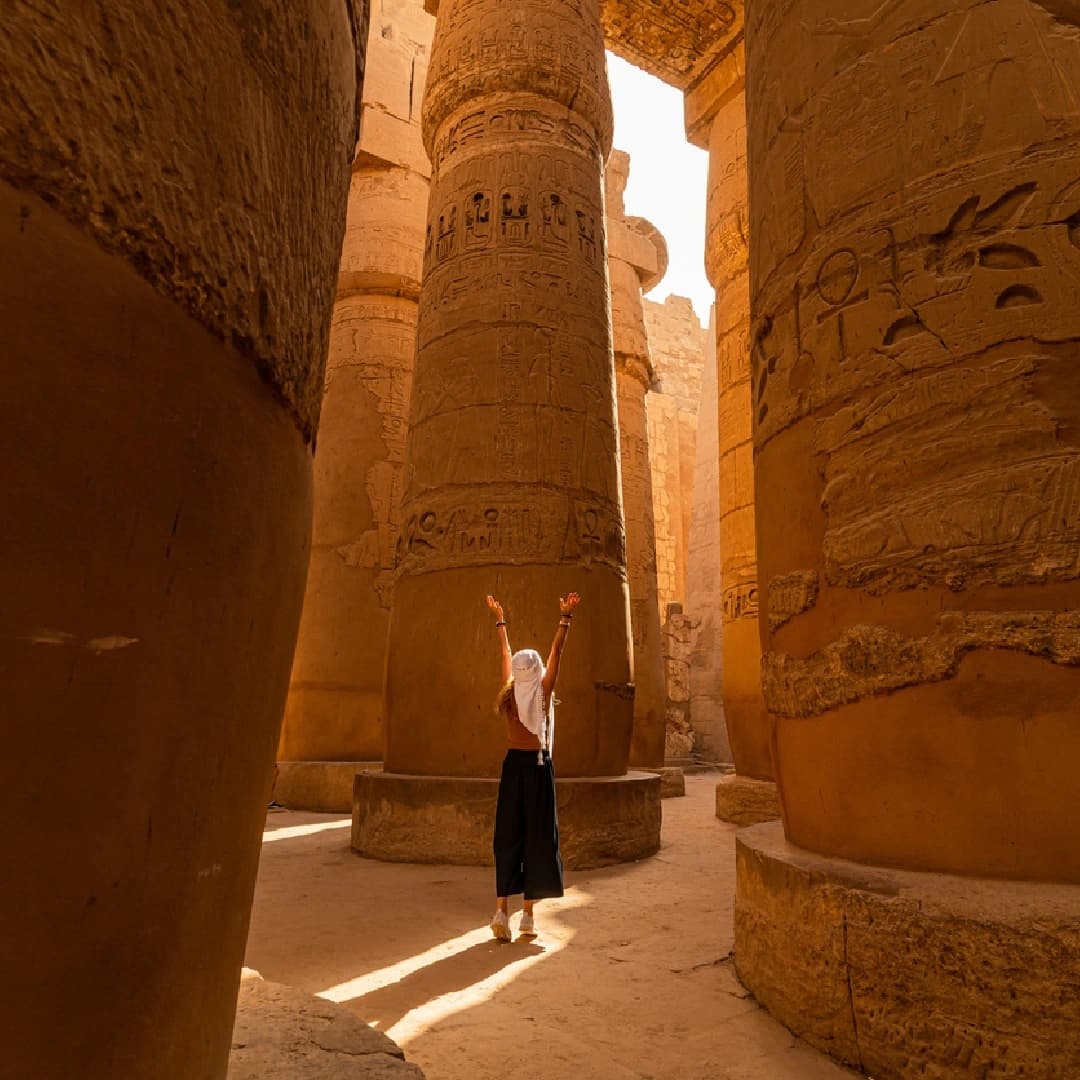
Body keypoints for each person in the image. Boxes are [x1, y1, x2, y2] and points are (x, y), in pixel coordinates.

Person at [485, 591, 580, 942]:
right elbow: (558, 651)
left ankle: (500, 911)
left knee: (508, 836)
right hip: (538, 769)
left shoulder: (509, 694)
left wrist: (500, 620)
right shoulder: (541, 692)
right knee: (538, 839)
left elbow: (504, 655)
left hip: (513, 768)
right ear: (536, 671)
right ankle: (527, 917)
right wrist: (564, 617)